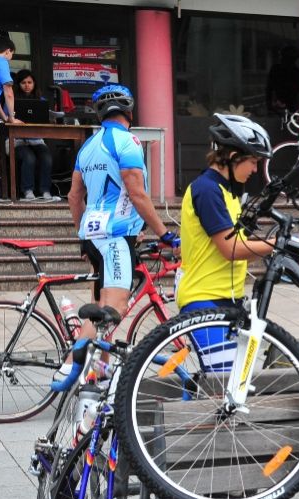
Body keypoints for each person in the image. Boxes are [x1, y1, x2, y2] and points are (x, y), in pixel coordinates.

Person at [64, 84, 176, 353]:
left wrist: (82, 236)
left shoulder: (88, 146)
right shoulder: (128, 142)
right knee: (114, 307)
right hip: (115, 237)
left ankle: (99, 369)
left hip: (92, 235)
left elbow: (73, 196)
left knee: (100, 311)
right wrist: (165, 234)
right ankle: (70, 371)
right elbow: (137, 194)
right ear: (130, 112)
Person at [176, 114, 276, 360]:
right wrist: (274, 246)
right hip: (203, 301)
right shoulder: (208, 190)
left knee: (228, 384)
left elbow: (237, 252)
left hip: (227, 300)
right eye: (253, 162)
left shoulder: (228, 191)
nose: (255, 169)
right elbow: (230, 249)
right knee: (223, 380)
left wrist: (266, 250)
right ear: (232, 157)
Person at [11, 70, 58, 202]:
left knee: (47, 157)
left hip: (36, 140)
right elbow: (5, 117)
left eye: (30, 82)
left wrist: (51, 119)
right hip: (17, 140)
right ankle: (28, 190)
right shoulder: (11, 99)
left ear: (34, 84)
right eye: (23, 83)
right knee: (29, 158)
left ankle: (45, 191)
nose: (27, 85)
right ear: (18, 84)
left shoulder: (41, 100)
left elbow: (47, 118)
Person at [0, 37, 20, 227]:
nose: (10, 59)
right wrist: (12, 116)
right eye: (11, 56)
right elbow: (8, 91)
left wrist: (4, 116)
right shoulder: (1, 62)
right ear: (8, 51)